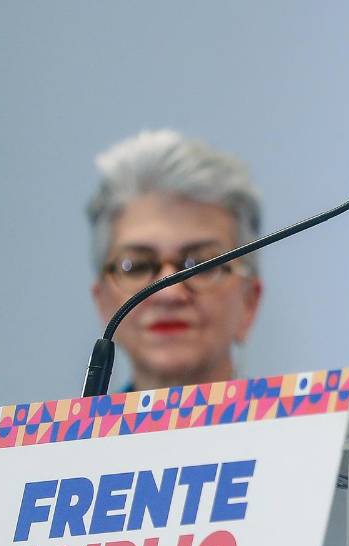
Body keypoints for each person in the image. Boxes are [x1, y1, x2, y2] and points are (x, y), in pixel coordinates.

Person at [88, 129, 263, 392]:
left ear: (249, 302)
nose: (168, 293)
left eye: (199, 265)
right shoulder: (57, 435)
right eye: (137, 266)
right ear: (103, 303)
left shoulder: (313, 431)